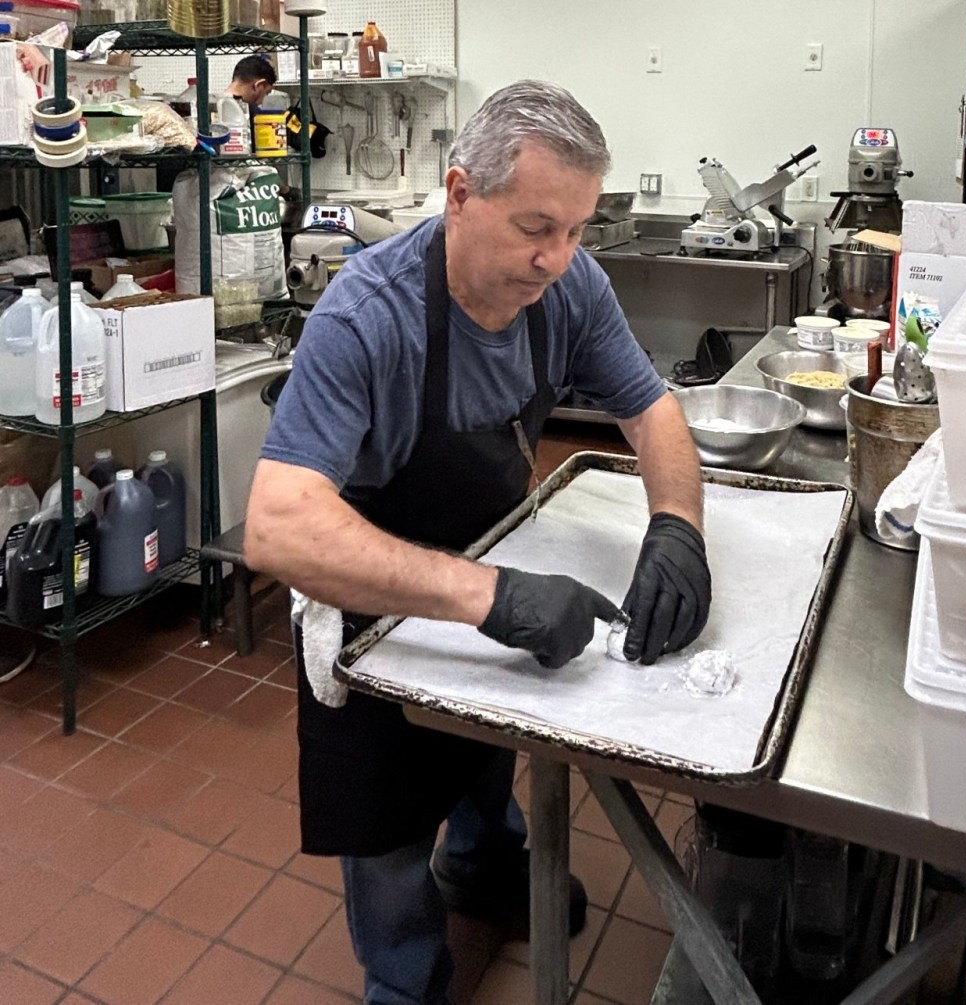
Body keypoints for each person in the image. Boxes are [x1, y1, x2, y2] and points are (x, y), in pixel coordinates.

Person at [243, 80, 712, 1005]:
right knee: (381, 830)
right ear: (460, 194)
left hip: (483, 558)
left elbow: (652, 411)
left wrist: (679, 529)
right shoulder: (366, 318)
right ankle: (405, 976)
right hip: (370, 596)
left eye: (577, 229)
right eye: (537, 226)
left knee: (482, 754)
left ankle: (487, 862)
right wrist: (490, 598)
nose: (556, 259)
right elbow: (277, 523)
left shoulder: (571, 286)